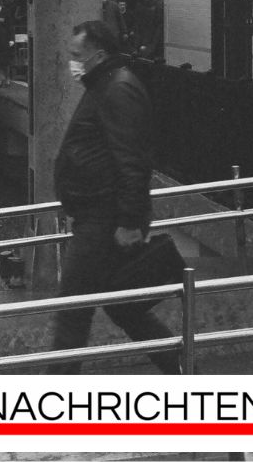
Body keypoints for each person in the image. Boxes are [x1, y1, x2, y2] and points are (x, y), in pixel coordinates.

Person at [47, 19, 179, 375]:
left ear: (98, 54)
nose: (71, 62)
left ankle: (53, 400)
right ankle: (181, 366)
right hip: (100, 215)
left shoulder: (117, 89)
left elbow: (133, 161)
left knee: (73, 309)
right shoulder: (103, 84)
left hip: (104, 220)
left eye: (77, 55)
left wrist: (130, 221)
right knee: (124, 307)